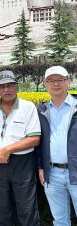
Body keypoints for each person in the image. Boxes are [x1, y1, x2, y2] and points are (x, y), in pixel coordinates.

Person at [0, 70, 41, 226]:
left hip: (22, 163)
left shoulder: (28, 107)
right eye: (2, 86)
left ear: (17, 87)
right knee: (1, 208)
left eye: (10, 85)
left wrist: (8, 149)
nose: (6, 90)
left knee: (27, 208)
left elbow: (34, 139)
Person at [37, 66, 77, 226]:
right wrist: (41, 167)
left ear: (68, 81)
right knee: (60, 221)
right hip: (52, 174)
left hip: (75, 171)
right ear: (45, 84)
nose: (56, 84)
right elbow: (38, 143)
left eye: (60, 79)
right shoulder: (41, 110)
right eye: (51, 81)